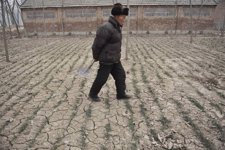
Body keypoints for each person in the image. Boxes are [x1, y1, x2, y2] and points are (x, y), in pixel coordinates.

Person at [89, 3, 131, 102]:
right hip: (106, 59)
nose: (124, 19)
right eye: (123, 17)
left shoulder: (116, 27)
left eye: (125, 17)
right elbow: (96, 45)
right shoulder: (106, 28)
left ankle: (121, 94)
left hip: (115, 59)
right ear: (116, 17)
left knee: (121, 75)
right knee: (102, 78)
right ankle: (92, 94)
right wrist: (96, 56)